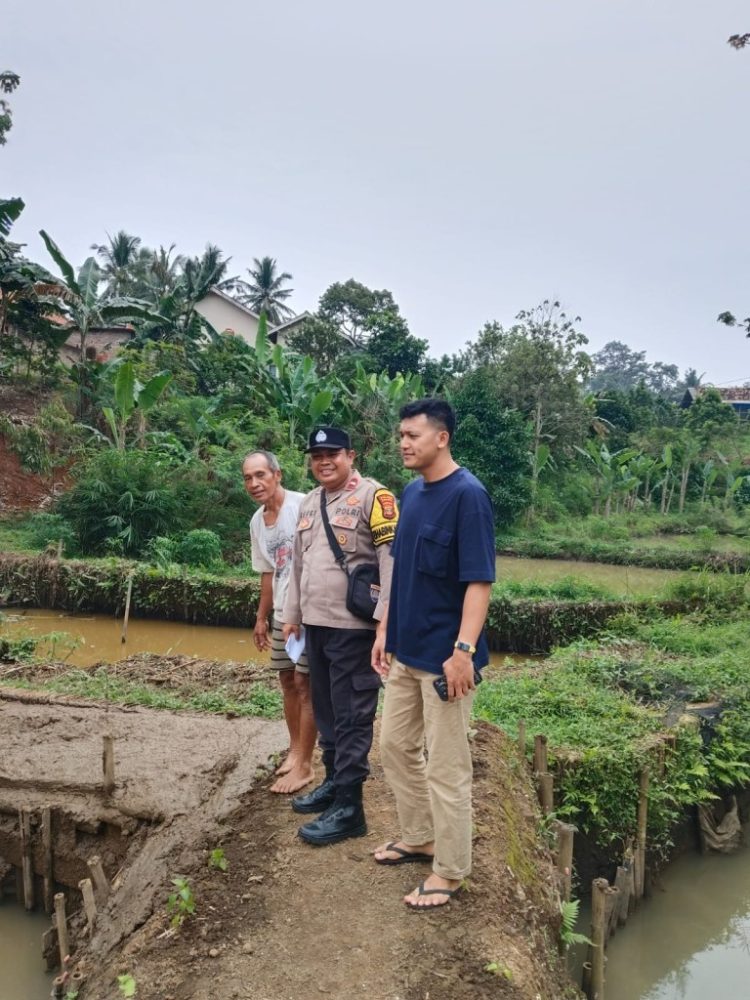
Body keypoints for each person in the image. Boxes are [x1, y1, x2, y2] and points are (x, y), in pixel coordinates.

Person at [371, 398, 495, 909]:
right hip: (405, 651)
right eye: (401, 434)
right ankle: (419, 836)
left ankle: (450, 870)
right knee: (394, 748)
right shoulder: (412, 492)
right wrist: (383, 630)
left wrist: (463, 651)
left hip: (447, 662)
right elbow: (398, 568)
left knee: (447, 768)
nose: (404, 442)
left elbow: (479, 581)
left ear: (441, 437)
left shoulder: (469, 496)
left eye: (413, 435)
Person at [282, 426, 398, 846]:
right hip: (315, 625)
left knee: (352, 715)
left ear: (350, 455)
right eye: (316, 455)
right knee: (327, 710)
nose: (323, 461)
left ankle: (351, 808)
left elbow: (390, 561)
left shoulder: (374, 496)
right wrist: (291, 614)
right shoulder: (310, 501)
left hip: (354, 629)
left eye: (332, 453)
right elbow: (298, 563)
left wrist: (385, 621)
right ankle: (334, 783)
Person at [243, 450, 316, 795]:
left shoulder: (303, 506)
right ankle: (295, 748)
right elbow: (269, 573)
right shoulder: (257, 522)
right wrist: (262, 618)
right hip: (282, 616)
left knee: (306, 685)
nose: (255, 483)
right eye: (248, 478)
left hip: (307, 613)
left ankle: (306, 761)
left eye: (261, 475)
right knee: (287, 680)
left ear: (277, 474)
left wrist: (301, 614)